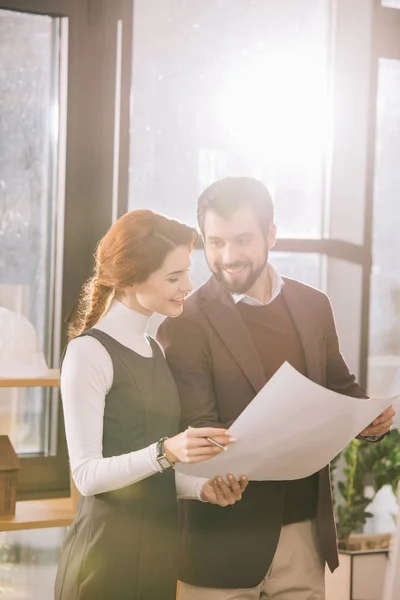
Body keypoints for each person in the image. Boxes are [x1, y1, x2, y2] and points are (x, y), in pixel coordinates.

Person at [157, 177, 395, 600]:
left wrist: (368, 420)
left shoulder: (313, 305)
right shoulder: (185, 320)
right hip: (222, 541)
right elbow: (198, 425)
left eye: (243, 240)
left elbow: (341, 388)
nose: (228, 257)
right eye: (216, 242)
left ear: (271, 234)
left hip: (302, 534)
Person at [54, 209, 248, 600]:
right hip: (103, 563)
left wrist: (200, 488)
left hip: (158, 561)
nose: (188, 286)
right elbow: (87, 476)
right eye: (174, 277)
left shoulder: (154, 350)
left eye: (187, 273)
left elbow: (149, 471)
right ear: (130, 278)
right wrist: (166, 451)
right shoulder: (88, 353)